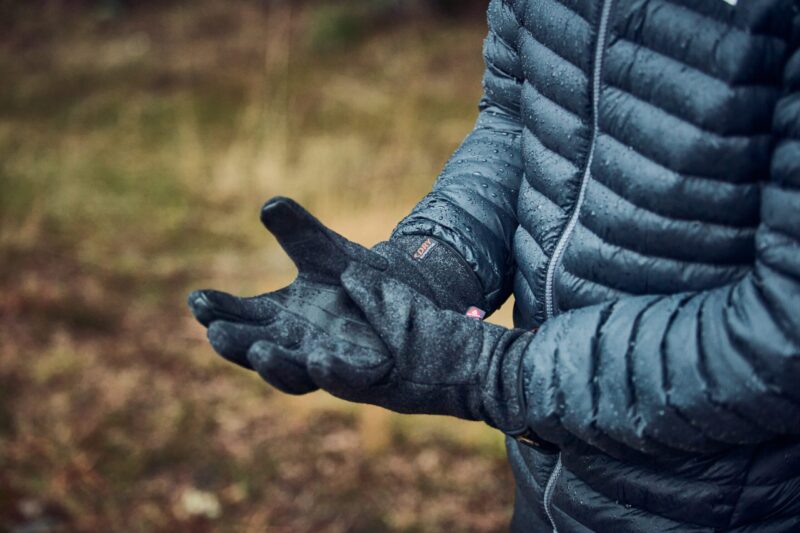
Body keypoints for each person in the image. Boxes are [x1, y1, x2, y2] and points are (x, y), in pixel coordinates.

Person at [188, 0, 800, 530]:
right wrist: (431, 266)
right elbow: (517, 115)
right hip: (548, 484)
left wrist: (499, 375)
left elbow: (784, 333)